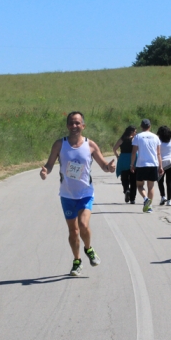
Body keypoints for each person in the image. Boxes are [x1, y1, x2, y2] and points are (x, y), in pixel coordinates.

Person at [40, 111, 116, 276]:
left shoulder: (90, 145)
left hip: (85, 193)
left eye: (77, 123)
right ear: (67, 126)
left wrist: (109, 168)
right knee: (73, 232)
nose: (74, 126)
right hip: (67, 195)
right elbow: (50, 164)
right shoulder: (60, 144)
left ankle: (88, 249)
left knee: (83, 225)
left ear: (83, 125)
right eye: (71, 123)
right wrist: (46, 171)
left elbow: (103, 165)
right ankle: (77, 261)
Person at [130, 119, 163, 213]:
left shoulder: (138, 137)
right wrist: (160, 166)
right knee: (151, 186)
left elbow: (133, 152)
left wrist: (132, 164)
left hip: (141, 164)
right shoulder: (156, 137)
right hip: (153, 164)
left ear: (141, 127)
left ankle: (145, 199)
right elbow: (159, 153)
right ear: (150, 126)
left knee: (140, 185)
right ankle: (149, 206)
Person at [112, 126, 137, 204]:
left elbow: (114, 148)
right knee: (133, 179)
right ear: (131, 132)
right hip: (133, 158)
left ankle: (126, 189)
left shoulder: (122, 139)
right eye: (135, 131)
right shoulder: (134, 140)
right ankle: (132, 198)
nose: (136, 133)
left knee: (124, 177)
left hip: (123, 158)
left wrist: (117, 156)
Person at [157, 126, 171, 206]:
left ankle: (163, 196)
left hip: (162, 162)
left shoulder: (158, 141)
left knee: (160, 181)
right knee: (169, 181)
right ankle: (169, 200)